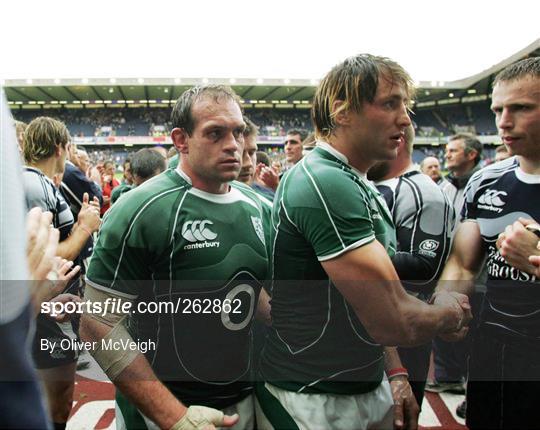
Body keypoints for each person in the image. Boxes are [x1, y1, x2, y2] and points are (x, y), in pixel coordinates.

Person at [258, 54, 471, 430]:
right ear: (341, 111)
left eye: (405, 105)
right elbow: (393, 319)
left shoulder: (356, 180)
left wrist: (397, 371)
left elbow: (367, 300)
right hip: (314, 395)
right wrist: (450, 313)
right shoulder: (325, 180)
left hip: (354, 383)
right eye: (390, 103)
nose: (405, 118)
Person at [81, 85, 270, 430]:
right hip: (161, 412)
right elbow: (97, 323)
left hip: (244, 401)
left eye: (238, 132)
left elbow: (255, 294)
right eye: (215, 133)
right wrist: (175, 418)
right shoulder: (140, 209)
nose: (233, 144)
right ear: (181, 140)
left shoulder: (260, 205)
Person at [433, 57, 540, 429]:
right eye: (498, 110)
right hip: (494, 354)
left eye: (521, 108)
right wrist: (447, 303)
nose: (503, 122)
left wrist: (536, 258)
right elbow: (463, 263)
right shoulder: (486, 181)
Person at [21, 116, 101, 429]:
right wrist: (84, 228)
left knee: (57, 395)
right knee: (57, 399)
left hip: (50, 305)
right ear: (60, 148)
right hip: (45, 308)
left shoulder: (36, 182)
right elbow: (45, 254)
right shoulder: (33, 183)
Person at [368, 124, 455, 408]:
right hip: (369, 332)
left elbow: (424, 267)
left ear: (398, 139)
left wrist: (345, 256)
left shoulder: (423, 192)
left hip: (403, 335)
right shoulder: (368, 183)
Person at [427, 132, 484, 395]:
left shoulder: (486, 183)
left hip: (480, 274)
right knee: (447, 323)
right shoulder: (444, 188)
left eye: (453, 150)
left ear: (471, 155)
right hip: (450, 266)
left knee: (475, 333)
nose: (446, 154)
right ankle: (447, 375)